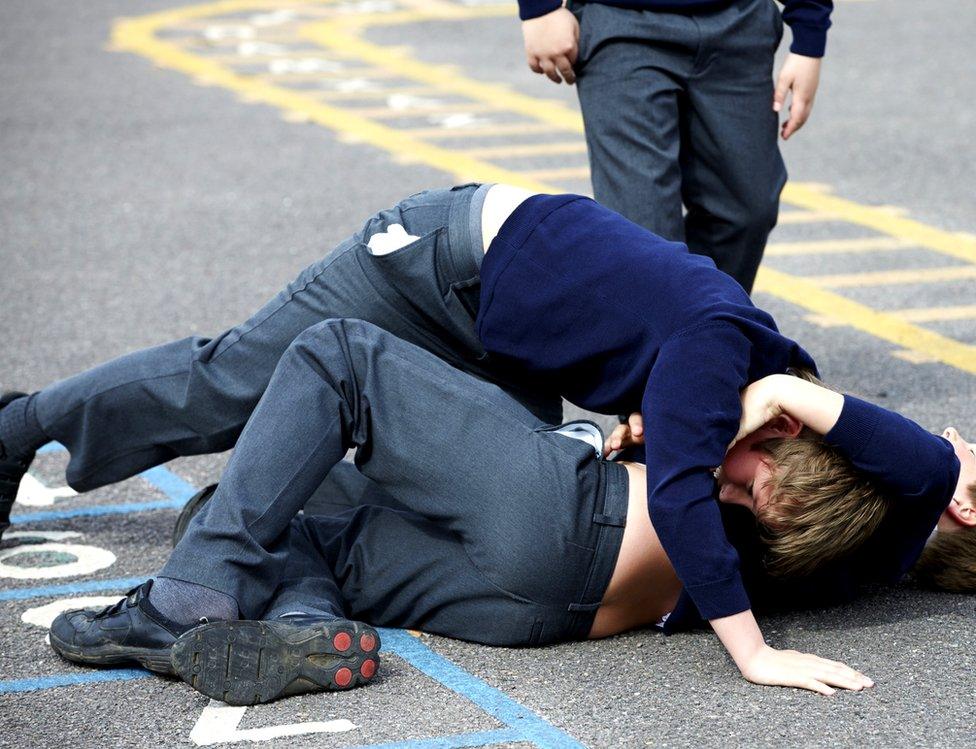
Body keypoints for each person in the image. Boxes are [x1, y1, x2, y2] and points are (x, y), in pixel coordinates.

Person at [0, 183, 895, 694]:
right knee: (232, 387)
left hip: (514, 351)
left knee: (328, 484)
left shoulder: (774, 442)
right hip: (440, 267)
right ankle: (19, 427)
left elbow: (847, 478)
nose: (717, 488)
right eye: (741, 479)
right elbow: (688, 481)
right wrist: (754, 647)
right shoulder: (729, 349)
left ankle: (287, 617)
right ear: (780, 418)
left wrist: (946, 493)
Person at [46, 333, 969, 707]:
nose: (724, 480)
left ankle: (179, 605)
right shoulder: (867, 559)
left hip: (570, 520)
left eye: (747, 478)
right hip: (536, 614)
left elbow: (785, 391)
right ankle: (300, 623)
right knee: (256, 509)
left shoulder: (903, 477)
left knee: (340, 357)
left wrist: (755, 653)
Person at [519, 0, 831, 292]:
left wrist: (809, 33)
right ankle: (674, 342)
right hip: (621, 25)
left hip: (740, 22)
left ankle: (703, 328)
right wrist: (539, 9)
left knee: (746, 211)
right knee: (644, 231)